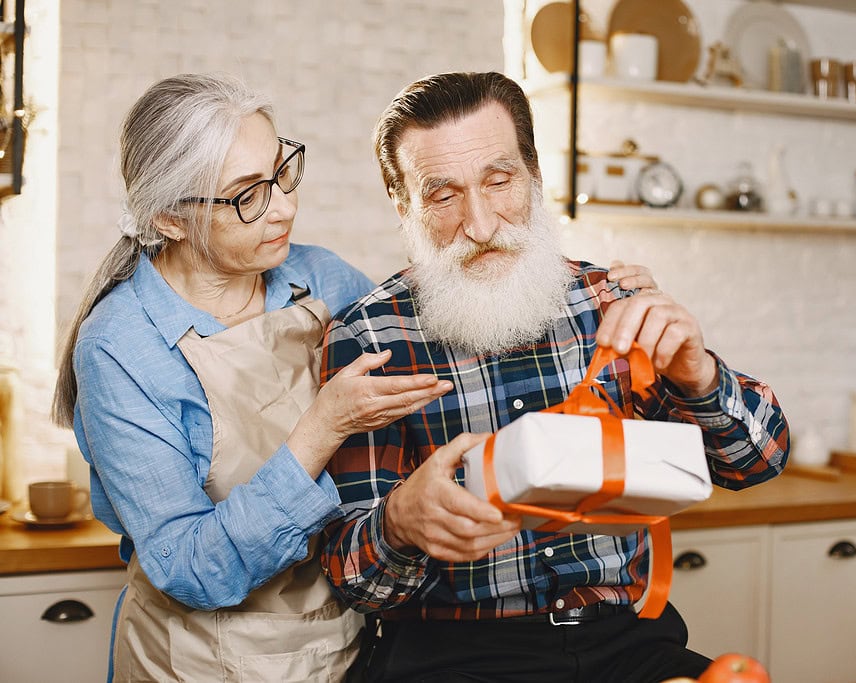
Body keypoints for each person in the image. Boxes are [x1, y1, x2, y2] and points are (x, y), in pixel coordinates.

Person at [320, 71, 790, 682]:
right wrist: (399, 524)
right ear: (403, 205)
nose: (482, 224)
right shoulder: (369, 337)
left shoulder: (612, 302)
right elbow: (357, 585)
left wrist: (698, 375)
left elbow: (758, 461)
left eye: (499, 180)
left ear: (534, 177)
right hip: (453, 656)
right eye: (443, 196)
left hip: (627, 643)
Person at [49, 73, 456, 681]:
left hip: (341, 650)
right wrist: (323, 426)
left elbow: (449, 354)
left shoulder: (320, 279)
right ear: (169, 219)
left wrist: (612, 297)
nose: (285, 207)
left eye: (281, 172)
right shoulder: (120, 347)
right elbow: (192, 567)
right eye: (248, 195)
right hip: (195, 663)